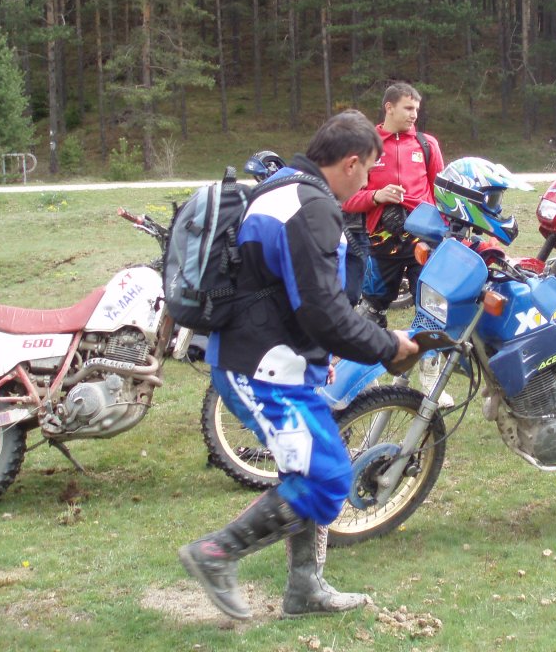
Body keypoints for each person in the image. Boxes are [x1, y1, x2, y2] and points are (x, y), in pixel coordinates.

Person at [179, 110, 420, 621]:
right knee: (327, 477)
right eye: (368, 170)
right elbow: (322, 311)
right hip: (263, 371)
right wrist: (387, 346)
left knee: (305, 469)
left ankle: (304, 589)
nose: (368, 181)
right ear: (351, 163)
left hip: (276, 363)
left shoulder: (283, 186)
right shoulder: (310, 207)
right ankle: (216, 553)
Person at [342, 83, 452, 405]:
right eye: (408, 108)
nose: (414, 114)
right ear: (388, 107)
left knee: (431, 309)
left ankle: (430, 382)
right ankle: (358, 378)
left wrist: (445, 230)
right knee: (370, 310)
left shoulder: (427, 145)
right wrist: (376, 196)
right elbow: (347, 199)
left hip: (424, 242)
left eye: (416, 108)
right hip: (380, 242)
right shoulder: (366, 146)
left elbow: (442, 194)